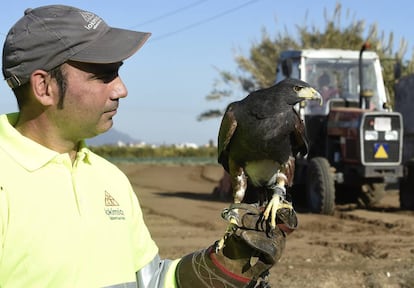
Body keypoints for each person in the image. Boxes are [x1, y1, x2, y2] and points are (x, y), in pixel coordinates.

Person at [0, 5, 295, 288]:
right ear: (44, 87)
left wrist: (223, 266)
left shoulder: (110, 179)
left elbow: (150, 282)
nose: (121, 89)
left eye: (118, 72)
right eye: (103, 75)